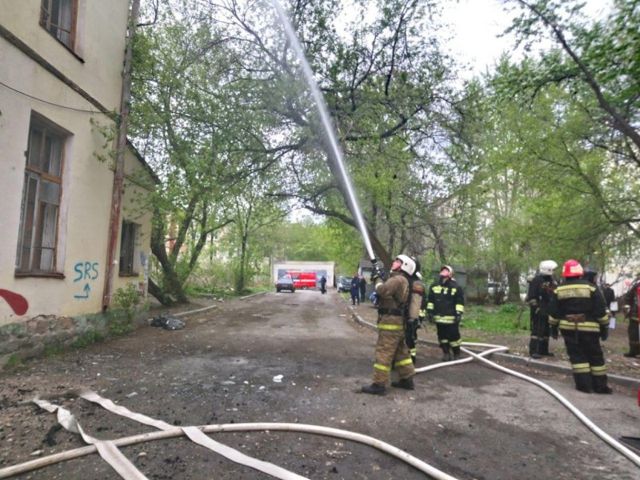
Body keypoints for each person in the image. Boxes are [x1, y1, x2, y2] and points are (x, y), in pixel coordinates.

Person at [548, 259, 612, 394]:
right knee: (595, 356)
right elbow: (600, 310)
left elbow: (554, 311)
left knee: (577, 357)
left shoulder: (559, 289)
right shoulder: (591, 288)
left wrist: (553, 328)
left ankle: (584, 385)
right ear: (580, 273)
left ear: (565, 274)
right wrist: (605, 327)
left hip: (568, 328)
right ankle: (600, 386)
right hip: (590, 329)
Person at [361, 255, 416, 395]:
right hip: (397, 322)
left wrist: (378, 279)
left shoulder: (397, 280)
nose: (394, 262)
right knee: (401, 353)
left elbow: (382, 290)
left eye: (398, 261)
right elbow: (388, 292)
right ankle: (407, 379)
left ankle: (379, 384)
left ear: (404, 266)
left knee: (383, 352)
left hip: (390, 322)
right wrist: (381, 277)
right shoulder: (400, 279)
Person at [426, 265, 465, 361]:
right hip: (439, 317)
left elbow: (459, 302)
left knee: (454, 336)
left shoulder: (456, 287)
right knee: (442, 336)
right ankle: (446, 353)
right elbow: (431, 301)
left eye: (446, 270)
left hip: (451, 318)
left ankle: (456, 353)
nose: (443, 271)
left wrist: (458, 313)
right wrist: (430, 312)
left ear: (450, 274)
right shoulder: (434, 286)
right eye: (442, 270)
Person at [525, 260, 558, 359]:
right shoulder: (537, 280)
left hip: (548, 309)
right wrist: (536, 308)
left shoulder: (551, 281)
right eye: (552, 270)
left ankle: (544, 350)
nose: (553, 271)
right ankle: (534, 350)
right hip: (539, 309)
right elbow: (532, 296)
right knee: (537, 330)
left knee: (546, 331)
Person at [405, 258, 426, 364]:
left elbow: (419, 302)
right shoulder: (403, 278)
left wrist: (417, 318)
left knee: (410, 337)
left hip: (411, 316)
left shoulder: (417, 283)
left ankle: (411, 357)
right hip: (403, 314)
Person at [623, 276, 640, 358]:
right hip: (635, 314)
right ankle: (633, 351)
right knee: (633, 334)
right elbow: (628, 297)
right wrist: (627, 307)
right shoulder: (636, 284)